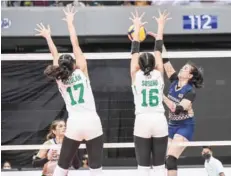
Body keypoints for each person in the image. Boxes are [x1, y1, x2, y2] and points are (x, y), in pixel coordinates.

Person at [34, 5, 103, 176]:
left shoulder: (59, 79)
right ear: (74, 65)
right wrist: (70, 23)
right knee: (96, 168)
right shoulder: (81, 71)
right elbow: (75, 44)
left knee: (62, 166)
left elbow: (54, 53)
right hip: (92, 121)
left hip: (75, 123)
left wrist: (48, 37)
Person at [129, 9, 171, 176]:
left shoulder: (135, 74)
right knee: (160, 167)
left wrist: (137, 31)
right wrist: (161, 25)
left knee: (143, 168)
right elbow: (158, 49)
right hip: (159, 119)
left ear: (139, 64)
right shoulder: (159, 73)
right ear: (154, 64)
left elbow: (134, 52)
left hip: (142, 120)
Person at [161, 45, 204, 176]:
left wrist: (161, 95)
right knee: (165, 161)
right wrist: (159, 39)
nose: (181, 68)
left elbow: (177, 110)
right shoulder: (174, 80)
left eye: (185, 68)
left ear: (190, 76)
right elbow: (165, 61)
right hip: (171, 126)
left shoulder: (190, 92)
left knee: (171, 159)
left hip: (185, 127)